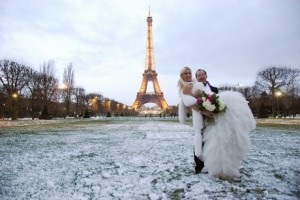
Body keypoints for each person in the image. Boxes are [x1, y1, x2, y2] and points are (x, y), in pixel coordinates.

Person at [178, 67, 256, 179]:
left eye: (202, 74)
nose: (200, 76)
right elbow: (190, 104)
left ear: (206, 75)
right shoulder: (191, 87)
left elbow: (218, 101)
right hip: (202, 118)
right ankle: (199, 167)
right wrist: (204, 110)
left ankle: (217, 164)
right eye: (198, 75)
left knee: (216, 141)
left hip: (215, 118)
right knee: (200, 141)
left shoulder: (213, 88)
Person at [177, 67, 211, 174]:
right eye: (185, 73)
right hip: (200, 115)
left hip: (208, 115)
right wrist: (205, 112)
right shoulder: (186, 87)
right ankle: (199, 164)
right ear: (182, 76)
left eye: (189, 73)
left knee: (209, 139)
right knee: (199, 139)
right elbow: (191, 103)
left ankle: (210, 163)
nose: (188, 75)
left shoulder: (198, 85)